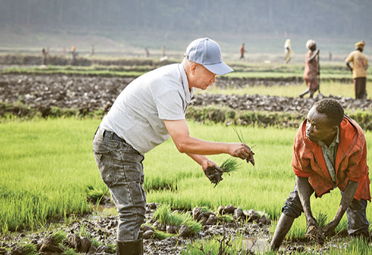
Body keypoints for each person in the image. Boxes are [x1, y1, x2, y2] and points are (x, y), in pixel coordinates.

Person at [93, 38, 255, 255]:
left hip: (124, 148)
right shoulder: (169, 86)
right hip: (116, 146)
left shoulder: (182, 85)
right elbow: (182, 142)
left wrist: (203, 160)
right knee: (132, 211)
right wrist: (228, 147)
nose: (215, 79)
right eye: (212, 72)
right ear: (194, 67)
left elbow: (177, 133)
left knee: (134, 209)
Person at [270, 98, 371, 251]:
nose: (308, 128)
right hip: (317, 171)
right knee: (293, 202)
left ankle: (362, 249)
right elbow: (302, 175)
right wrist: (309, 217)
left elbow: (354, 179)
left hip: (347, 175)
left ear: (333, 130)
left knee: (357, 218)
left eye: (315, 126)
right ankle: (271, 250)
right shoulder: (303, 136)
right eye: (309, 121)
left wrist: (336, 220)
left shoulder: (355, 141)